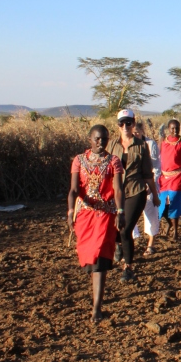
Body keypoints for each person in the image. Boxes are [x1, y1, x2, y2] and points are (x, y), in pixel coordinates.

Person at [67, 125, 124, 322]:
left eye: (105, 139)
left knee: (100, 259)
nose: (101, 142)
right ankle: (96, 304)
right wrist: (71, 211)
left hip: (105, 217)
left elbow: (117, 189)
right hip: (85, 217)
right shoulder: (79, 161)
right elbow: (74, 189)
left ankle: (96, 309)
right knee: (89, 258)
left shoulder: (114, 161)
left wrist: (120, 211)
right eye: (97, 139)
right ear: (90, 139)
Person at [106, 109, 160, 282]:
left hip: (136, 190)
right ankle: (120, 246)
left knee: (126, 228)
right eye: (121, 123)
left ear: (133, 123)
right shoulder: (112, 146)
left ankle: (128, 268)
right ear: (118, 126)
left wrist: (156, 194)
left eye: (128, 123)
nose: (125, 126)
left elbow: (147, 174)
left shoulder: (141, 146)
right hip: (116, 192)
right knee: (114, 229)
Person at [132, 121, 161, 256]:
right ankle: (131, 241)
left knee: (151, 212)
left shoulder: (150, 144)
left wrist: (151, 185)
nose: (135, 135)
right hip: (133, 185)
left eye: (137, 132)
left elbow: (156, 167)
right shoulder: (127, 145)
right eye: (133, 133)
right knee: (130, 214)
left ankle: (151, 244)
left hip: (149, 183)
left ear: (142, 131)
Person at [158, 119, 181, 239]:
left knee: (173, 201)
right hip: (164, 177)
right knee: (163, 205)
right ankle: (169, 224)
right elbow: (157, 160)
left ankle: (175, 232)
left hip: (178, 177)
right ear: (168, 129)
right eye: (172, 128)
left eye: (177, 128)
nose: (175, 130)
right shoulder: (162, 142)